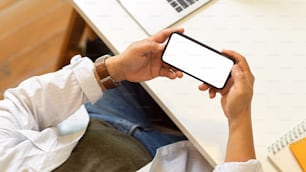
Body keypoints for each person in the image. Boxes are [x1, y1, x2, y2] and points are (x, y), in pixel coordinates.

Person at [0, 28, 263, 172]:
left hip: (92, 126)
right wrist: (239, 118)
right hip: (158, 157)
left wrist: (113, 70)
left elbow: (23, 104)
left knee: (108, 40)